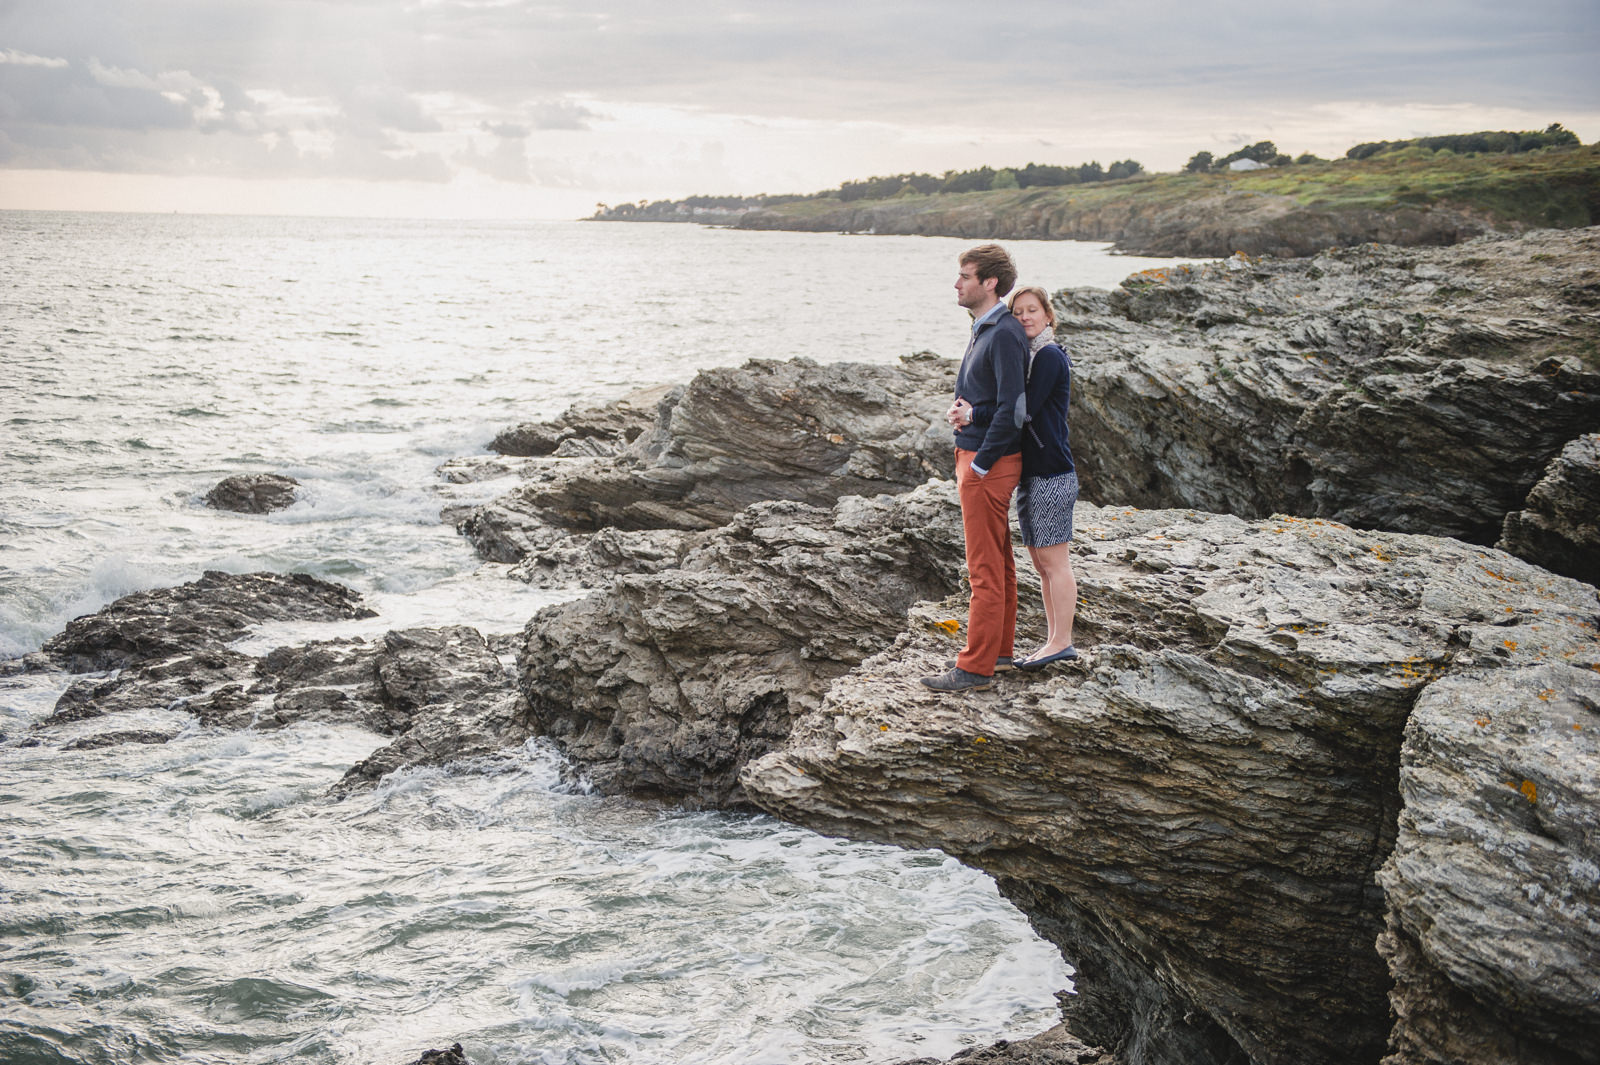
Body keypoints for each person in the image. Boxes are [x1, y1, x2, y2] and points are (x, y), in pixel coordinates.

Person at [920, 244, 1027, 693]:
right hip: (985, 457)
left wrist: (980, 464)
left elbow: (1015, 410)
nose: (957, 283)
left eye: (965, 275)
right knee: (999, 564)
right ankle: (999, 655)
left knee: (983, 568)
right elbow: (992, 402)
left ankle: (974, 668)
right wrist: (965, 412)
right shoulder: (985, 327)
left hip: (989, 463)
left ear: (990, 283)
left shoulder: (1002, 332)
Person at [1007, 285, 1079, 669]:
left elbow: (1025, 409)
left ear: (1048, 316)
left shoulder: (1049, 355)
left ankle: (1062, 641)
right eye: (1018, 312)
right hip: (1035, 474)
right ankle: (1052, 641)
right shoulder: (1033, 356)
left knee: (1055, 564)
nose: (1025, 317)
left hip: (1052, 472)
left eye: (1032, 310)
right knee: (1041, 564)